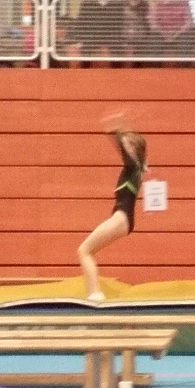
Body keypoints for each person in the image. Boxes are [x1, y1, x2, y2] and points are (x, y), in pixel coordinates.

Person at [78, 111, 148, 301]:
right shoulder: (134, 169)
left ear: (134, 149)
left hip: (121, 217)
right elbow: (127, 150)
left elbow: (125, 151)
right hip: (122, 218)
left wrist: (118, 131)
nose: (125, 147)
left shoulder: (134, 167)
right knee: (86, 251)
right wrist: (120, 130)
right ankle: (93, 293)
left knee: (84, 251)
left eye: (129, 144)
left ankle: (94, 294)